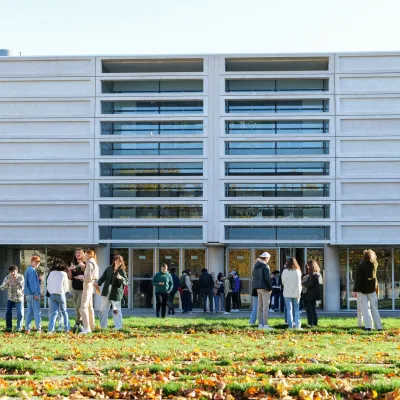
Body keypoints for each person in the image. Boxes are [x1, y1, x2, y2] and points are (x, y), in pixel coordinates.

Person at [352, 249, 383, 331]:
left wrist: (355, 290)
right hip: (372, 289)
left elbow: (358, 279)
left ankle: (368, 326)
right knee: (374, 309)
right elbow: (375, 259)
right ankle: (379, 327)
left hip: (362, 290)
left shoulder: (360, 266)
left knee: (365, 309)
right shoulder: (375, 264)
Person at [96, 254, 128, 330]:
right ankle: (103, 326)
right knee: (103, 309)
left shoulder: (122, 271)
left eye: (120, 261)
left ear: (122, 262)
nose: (118, 262)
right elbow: (103, 278)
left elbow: (126, 281)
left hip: (116, 292)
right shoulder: (108, 269)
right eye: (117, 260)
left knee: (116, 309)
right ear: (114, 261)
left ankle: (118, 326)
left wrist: (121, 278)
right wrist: (98, 283)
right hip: (106, 290)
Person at [79, 249, 99, 334]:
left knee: (83, 307)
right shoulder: (93, 263)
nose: (84, 256)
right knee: (90, 307)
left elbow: (88, 278)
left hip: (88, 286)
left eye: (85, 255)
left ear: (89, 255)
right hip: (90, 286)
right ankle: (91, 326)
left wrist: (81, 276)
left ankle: (87, 328)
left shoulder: (90, 263)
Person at [47, 259, 70, 333]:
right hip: (60, 294)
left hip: (52, 294)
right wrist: (63, 291)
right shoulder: (63, 274)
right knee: (64, 312)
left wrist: (51, 292)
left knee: (54, 313)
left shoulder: (51, 273)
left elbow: (48, 284)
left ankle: (50, 329)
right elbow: (66, 286)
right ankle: (67, 329)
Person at [252, 252, 273, 330]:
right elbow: (267, 278)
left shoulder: (256, 266)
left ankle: (260, 324)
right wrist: (270, 288)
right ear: (266, 258)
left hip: (258, 288)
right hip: (265, 288)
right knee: (265, 307)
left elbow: (253, 275)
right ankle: (266, 325)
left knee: (259, 307)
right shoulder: (265, 266)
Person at [0, 265, 24, 332]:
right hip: (10, 298)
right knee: (8, 312)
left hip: (19, 298)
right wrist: (7, 283)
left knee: (20, 313)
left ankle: (19, 328)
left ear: (17, 271)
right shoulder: (8, 277)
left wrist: (17, 282)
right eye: (11, 272)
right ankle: (9, 327)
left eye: (13, 271)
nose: (12, 273)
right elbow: (2, 287)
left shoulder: (21, 277)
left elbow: (23, 288)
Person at [67, 248, 86, 332]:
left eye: (79, 253)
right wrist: (70, 270)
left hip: (83, 289)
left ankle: (78, 323)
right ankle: (80, 323)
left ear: (82, 254)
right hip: (74, 288)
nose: (77, 255)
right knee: (76, 307)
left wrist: (83, 267)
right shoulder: (73, 264)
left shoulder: (85, 263)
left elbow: (88, 274)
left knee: (79, 307)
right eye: (76, 253)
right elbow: (70, 278)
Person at [281, 257, 302, 329]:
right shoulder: (298, 271)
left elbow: (283, 281)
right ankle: (298, 325)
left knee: (289, 309)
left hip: (287, 292)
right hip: (296, 292)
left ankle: (290, 325)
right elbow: (300, 282)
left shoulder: (285, 271)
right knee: (296, 309)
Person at [24, 255, 42, 333]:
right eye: (36, 262)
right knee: (37, 312)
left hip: (28, 295)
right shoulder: (32, 270)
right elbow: (32, 284)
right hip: (33, 294)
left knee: (29, 312)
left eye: (38, 262)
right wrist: (35, 294)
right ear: (32, 262)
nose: (37, 263)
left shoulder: (28, 270)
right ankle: (39, 328)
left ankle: (27, 328)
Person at [304, 260, 321, 327]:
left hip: (311, 294)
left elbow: (310, 285)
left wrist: (303, 283)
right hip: (312, 294)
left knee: (311, 309)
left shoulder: (313, 275)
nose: (307, 267)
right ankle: (311, 322)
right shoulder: (317, 274)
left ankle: (313, 323)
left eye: (308, 265)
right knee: (310, 309)